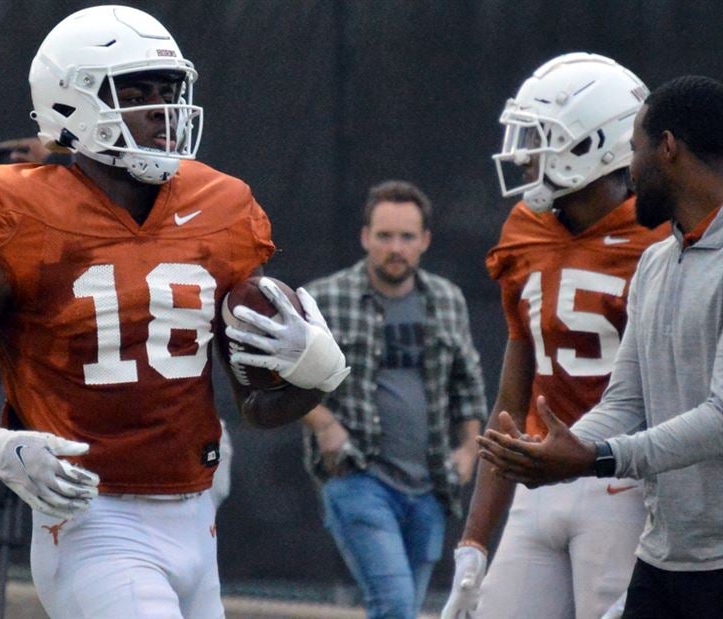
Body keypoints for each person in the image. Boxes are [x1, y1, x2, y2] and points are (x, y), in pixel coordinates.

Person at [0, 6, 349, 618]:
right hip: (93, 520)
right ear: (71, 102)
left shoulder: (222, 206)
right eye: (137, 91)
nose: (163, 110)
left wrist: (319, 375)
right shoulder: (20, 211)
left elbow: (258, 407)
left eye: (169, 90)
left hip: (198, 517)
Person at [478, 75, 723, 618]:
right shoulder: (659, 261)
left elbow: (721, 417)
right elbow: (625, 399)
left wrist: (597, 458)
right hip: (667, 552)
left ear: (668, 148)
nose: (630, 171)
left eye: (635, 151)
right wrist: (558, 451)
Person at [442, 53, 667, 619]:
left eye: (542, 137)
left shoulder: (663, 235)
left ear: (598, 143)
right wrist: (473, 541)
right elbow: (512, 397)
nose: (522, 155)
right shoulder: (525, 230)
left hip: (623, 481)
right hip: (538, 477)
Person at [300, 180, 486, 618]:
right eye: (384, 236)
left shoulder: (446, 299)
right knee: (396, 606)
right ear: (365, 237)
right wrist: (324, 424)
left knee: (405, 607)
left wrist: (469, 450)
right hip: (359, 474)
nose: (395, 248)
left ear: (425, 241)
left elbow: (468, 381)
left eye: (407, 237)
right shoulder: (324, 298)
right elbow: (281, 379)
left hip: (431, 484)